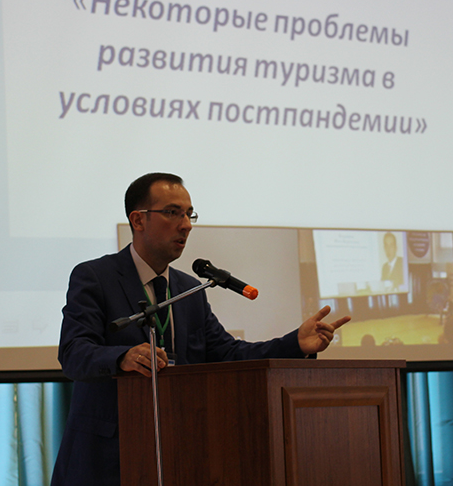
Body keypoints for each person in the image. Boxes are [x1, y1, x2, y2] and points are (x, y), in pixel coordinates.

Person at [50, 172, 350, 486]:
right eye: (172, 213)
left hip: (178, 452)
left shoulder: (188, 289)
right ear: (138, 220)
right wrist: (122, 357)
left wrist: (295, 344)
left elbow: (229, 354)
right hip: (107, 458)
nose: (186, 225)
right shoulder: (96, 277)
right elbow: (73, 353)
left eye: (189, 214)